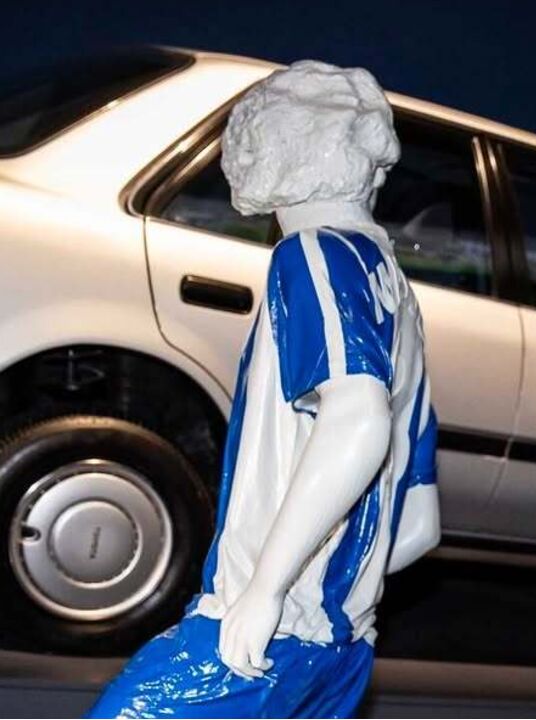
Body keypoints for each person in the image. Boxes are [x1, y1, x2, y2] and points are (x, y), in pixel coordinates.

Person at [89, 61, 441, 718]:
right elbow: (419, 525)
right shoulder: (400, 300)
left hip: (264, 633)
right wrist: (338, 585)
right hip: (345, 650)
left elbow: (358, 419)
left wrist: (268, 589)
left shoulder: (315, 256)